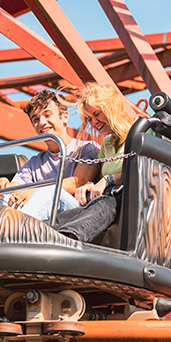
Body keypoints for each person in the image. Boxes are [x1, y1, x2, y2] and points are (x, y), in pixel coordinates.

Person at [0, 89, 100, 221]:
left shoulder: (87, 148)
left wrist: (35, 191)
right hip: (43, 214)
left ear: (64, 117)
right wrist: (4, 185)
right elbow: (17, 187)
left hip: (75, 214)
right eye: (36, 119)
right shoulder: (35, 163)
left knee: (48, 192)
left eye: (47, 115)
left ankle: (13, 232)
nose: (42, 122)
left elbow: (78, 182)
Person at [54, 82, 138, 242]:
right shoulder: (107, 143)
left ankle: (68, 244)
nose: (94, 123)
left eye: (97, 114)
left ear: (111, 108)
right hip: (106, 198)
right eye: (89, 119)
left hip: (129, 200)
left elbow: (147, 171)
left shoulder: (142, 131)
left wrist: (109, 179)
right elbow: (101, 182)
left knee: (105, 204)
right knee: (63, 218)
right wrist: (91, 185)